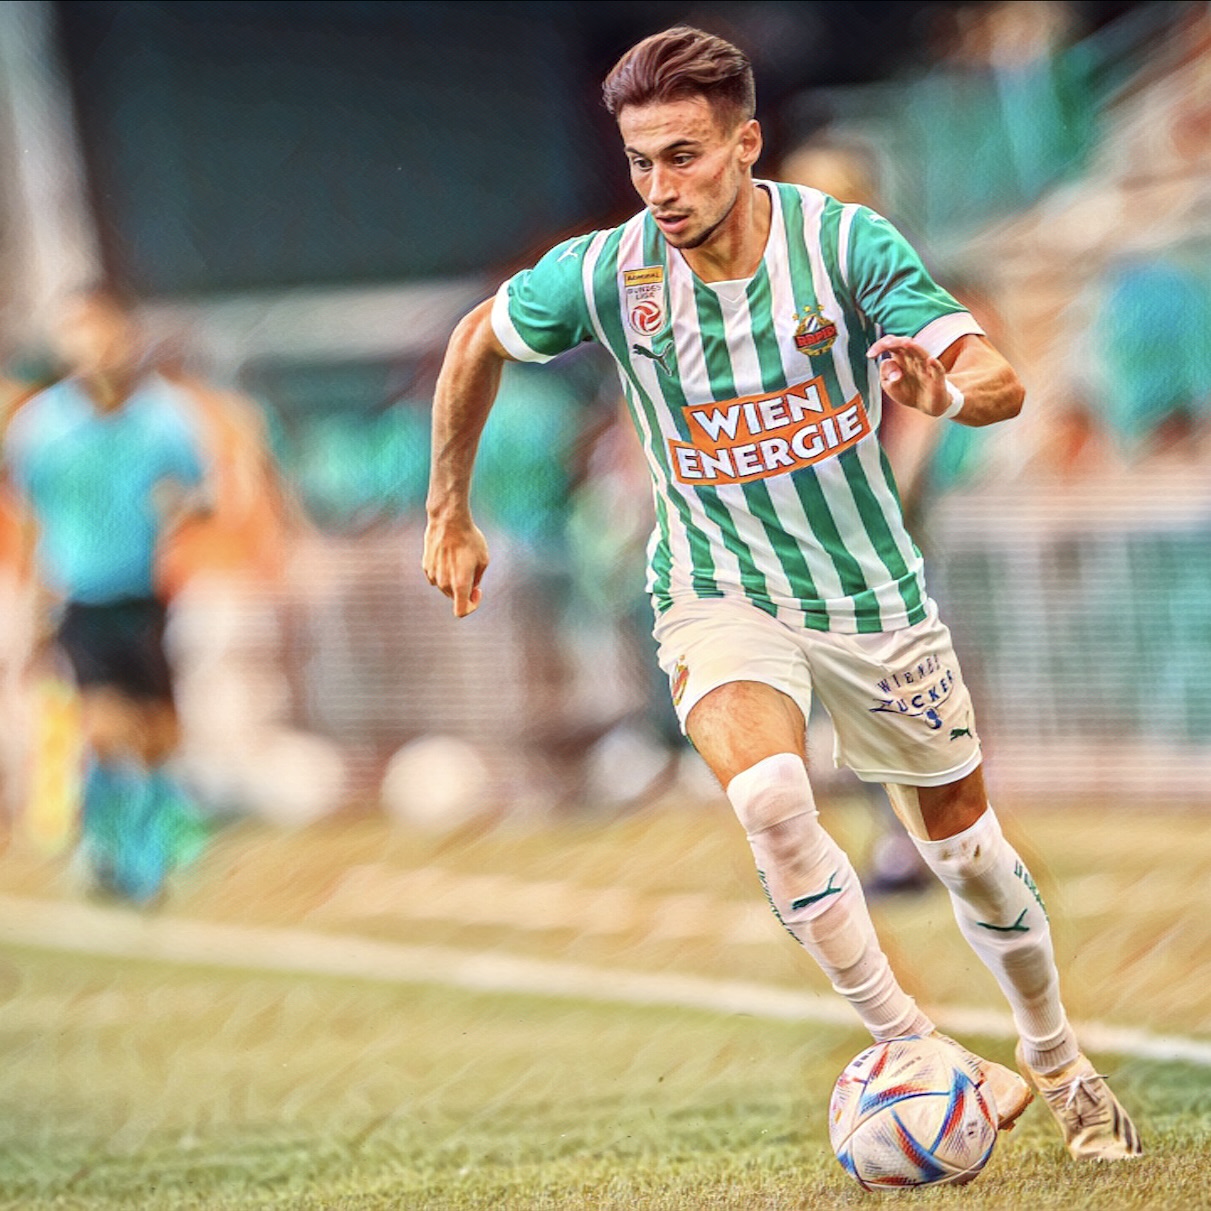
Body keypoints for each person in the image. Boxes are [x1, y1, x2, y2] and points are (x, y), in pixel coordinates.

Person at [423, 26, 1141, 1162]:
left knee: (966, 851)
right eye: (641, 161)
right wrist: (446, 510)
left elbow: (996, 377)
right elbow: (477, 339)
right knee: (767, 796)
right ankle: (912, 1043)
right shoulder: (610, 271)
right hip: (716, 587)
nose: (660, 187)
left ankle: (1055, 1058)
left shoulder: (843, 244)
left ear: (747, 144)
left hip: (868, 594)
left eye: (684, 156)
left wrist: (944, 397)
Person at [3, 286, 210, 905]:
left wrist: (182, 509)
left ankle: (129, 852)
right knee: (106, 725)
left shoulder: (165, 417)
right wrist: (34, 605)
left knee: (157, 737)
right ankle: (116, 855)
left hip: (145, 597)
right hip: (81, 599)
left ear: (125, 335)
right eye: (78, 333)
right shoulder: (40, 427)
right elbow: (29, 520)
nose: (91, 346)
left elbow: (203, 495)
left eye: (101, 331)